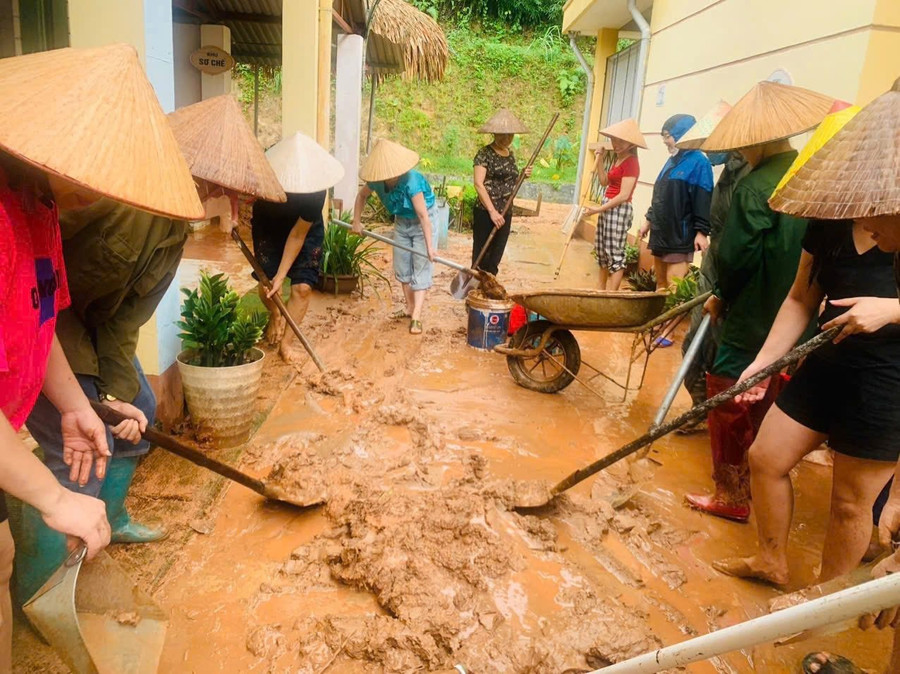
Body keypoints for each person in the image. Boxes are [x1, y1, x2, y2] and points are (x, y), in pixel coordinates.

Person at [0, 43, 205, 666]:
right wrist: (53, 496)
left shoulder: (38, 210)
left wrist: (73, 402)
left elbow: (44, 319)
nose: (102, 190)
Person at [714, 79, 900, 603]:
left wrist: (889, 310)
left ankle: (823, 606)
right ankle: (771, 559)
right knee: (766, 457)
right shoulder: (833, 214)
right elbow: (800, 299)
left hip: (886, 378)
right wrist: (763, 363)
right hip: (827, 358)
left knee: (849, 503)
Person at [682, 81, 835, 522]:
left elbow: (733, 258)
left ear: (759, 142)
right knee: (774, 396)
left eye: (745, 146)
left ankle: (732, 493)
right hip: (802, 313)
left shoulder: (755, 188)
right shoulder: (812, 176)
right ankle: (766, 486)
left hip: (753, 313)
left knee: (728, 395)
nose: (741, 154)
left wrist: (719, 297)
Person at [251, 133, 344, 362]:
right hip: (269, 228)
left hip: (304, 230)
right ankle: (275, 313)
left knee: (302, 288)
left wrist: (283, 276)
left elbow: (297, 235)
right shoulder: (266, 175)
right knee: (267, 286)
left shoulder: (316, 190)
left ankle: (287, 343)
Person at [352, 139, 437, 335]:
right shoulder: (375, 182)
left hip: (422, 219)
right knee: (402, 265)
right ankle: (408, 307)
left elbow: (424, 216)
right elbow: (361, 196)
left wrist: (430, 247)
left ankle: (416, 315)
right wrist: (357, 221)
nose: (389, 177)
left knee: (421, 263)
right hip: (401, 221)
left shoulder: (412, 182)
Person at [639, 114, 713, 293]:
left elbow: (704, 198)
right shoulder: (672, 160)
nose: (665, 141)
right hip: (660, 233)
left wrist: (702, 232)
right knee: (661, 285)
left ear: (682, 134)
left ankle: (667, 322)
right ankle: (659, 322)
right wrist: (648, 220)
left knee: (673, 288)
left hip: (680, 236)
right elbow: (661, 195)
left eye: (667, 135)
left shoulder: (699, 162)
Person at [584, 118, 645, 290]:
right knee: (602, 250)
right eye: (613, 140)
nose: (615, 144)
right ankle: (600, 289)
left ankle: (611, 294)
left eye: (620, 141)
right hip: (607, 206)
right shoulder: (618, 159)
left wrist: (598, 209)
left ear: (631, 144)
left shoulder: (632, 162)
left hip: (618, 209)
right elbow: (604, 182)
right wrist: (600, 159)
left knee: (615, 253)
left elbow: (624, 195)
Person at [472, 109, 531, 277]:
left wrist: (523, 175)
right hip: (486, 212)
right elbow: (478, 183)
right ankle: (476, 291)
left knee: (496, 256)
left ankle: (489, 288)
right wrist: (492, 212)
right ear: (494, 134)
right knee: (482, 255)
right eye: (502, 135)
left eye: (510, 135)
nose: (506, 139)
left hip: (505, 211)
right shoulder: (484, 154)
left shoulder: (510, 155)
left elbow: (511, 183)